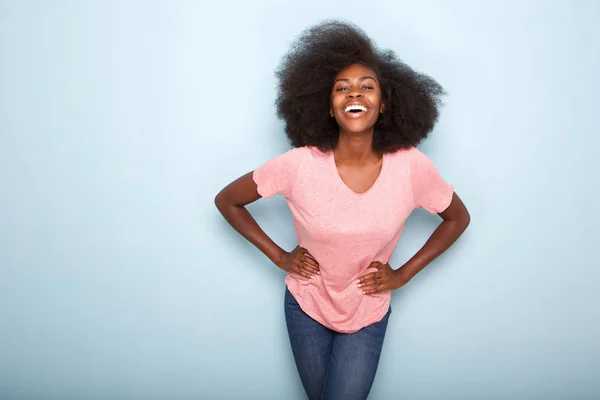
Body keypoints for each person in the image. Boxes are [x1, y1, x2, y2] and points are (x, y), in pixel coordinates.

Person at [214, 20, 471, 400]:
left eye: (368, 86)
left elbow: (457, 218)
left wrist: (402, 275)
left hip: (367, 311)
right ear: (329, 108)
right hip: (306, 306)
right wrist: (280, 256)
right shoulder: (298, 164)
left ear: (383, 105)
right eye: (342, 88)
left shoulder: (410, 166)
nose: (356, 93)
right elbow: (227, 200)